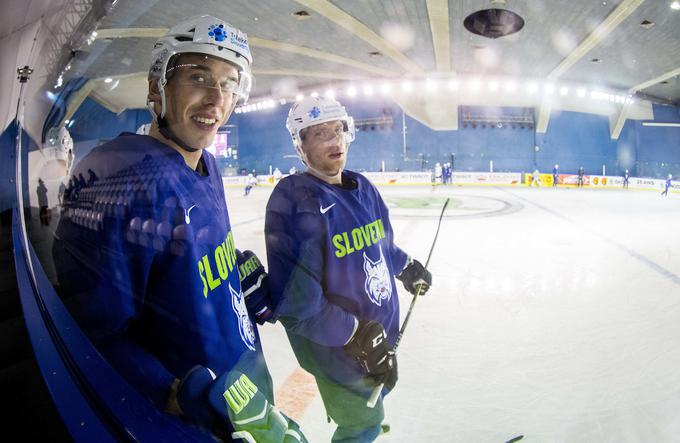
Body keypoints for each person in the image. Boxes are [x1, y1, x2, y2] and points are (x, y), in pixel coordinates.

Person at [53, 15, 305, 442]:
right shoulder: (120, 176)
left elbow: (189, 263)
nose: (216, 99)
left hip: (245, 398)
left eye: (228, 83)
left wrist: (235, 275)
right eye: (198, 76)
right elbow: (93, 330)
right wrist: (180, 395)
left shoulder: (209, 163)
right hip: (185, 424)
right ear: (157, 86)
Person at [263, 96, 432, 442]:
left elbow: (380, 246)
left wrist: (406, 267)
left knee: (370, 412)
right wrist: (358, 337)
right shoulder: (297, 199)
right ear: (301, 146)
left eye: (338, 130)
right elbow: (299, 305)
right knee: (361, 425)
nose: (335, 140)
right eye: (320, 134)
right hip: (338, 351)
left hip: (373, 345)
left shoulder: (363, 188)